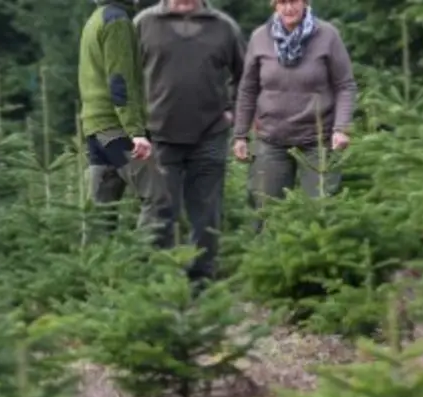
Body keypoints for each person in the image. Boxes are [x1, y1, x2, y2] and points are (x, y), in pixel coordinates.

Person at [134, 0, 245, 285]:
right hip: (157, 136)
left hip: (210, 133)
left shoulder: (223, 27)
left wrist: (233, 108)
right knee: (160, 209)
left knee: (206, 211)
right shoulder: (144, 24)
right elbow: (124, 77)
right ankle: (156, 278)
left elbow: (244, 76)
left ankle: (201, 280)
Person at [232, 0, 357, 206]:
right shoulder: (260, 37)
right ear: (274, 5)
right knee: (265, 211)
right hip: (271, 140)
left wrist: (341, 128)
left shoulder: (327, 35)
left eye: (294, 1)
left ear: (305, 3)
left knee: (321, 210)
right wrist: (240, 135)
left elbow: (345, 86)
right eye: (282, 2)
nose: (288, 8)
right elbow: (248, 89)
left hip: (318, 141)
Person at [78, 0, 162, 234]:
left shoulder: (96, 18)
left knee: (100, 212)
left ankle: (95, 268)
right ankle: (143, 263)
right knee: (159, 195)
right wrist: (136, 132)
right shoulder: (117, 21)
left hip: (96, 127)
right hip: (116, 128)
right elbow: (120, 81)